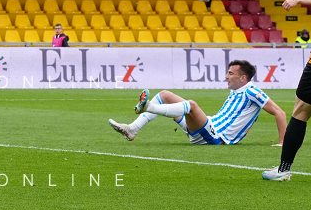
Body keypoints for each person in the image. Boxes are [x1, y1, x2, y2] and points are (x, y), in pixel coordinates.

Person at [109, 63, 286, 148]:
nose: (226, 76)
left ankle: (148, 107)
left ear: (243, 78)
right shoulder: (237, 91)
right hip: (208, 127)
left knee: (191, 106)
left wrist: (282, 143)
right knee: (165, 95)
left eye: (230, 73)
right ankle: (132, 129)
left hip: (216, 137)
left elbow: (280, 112)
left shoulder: (252, 91)